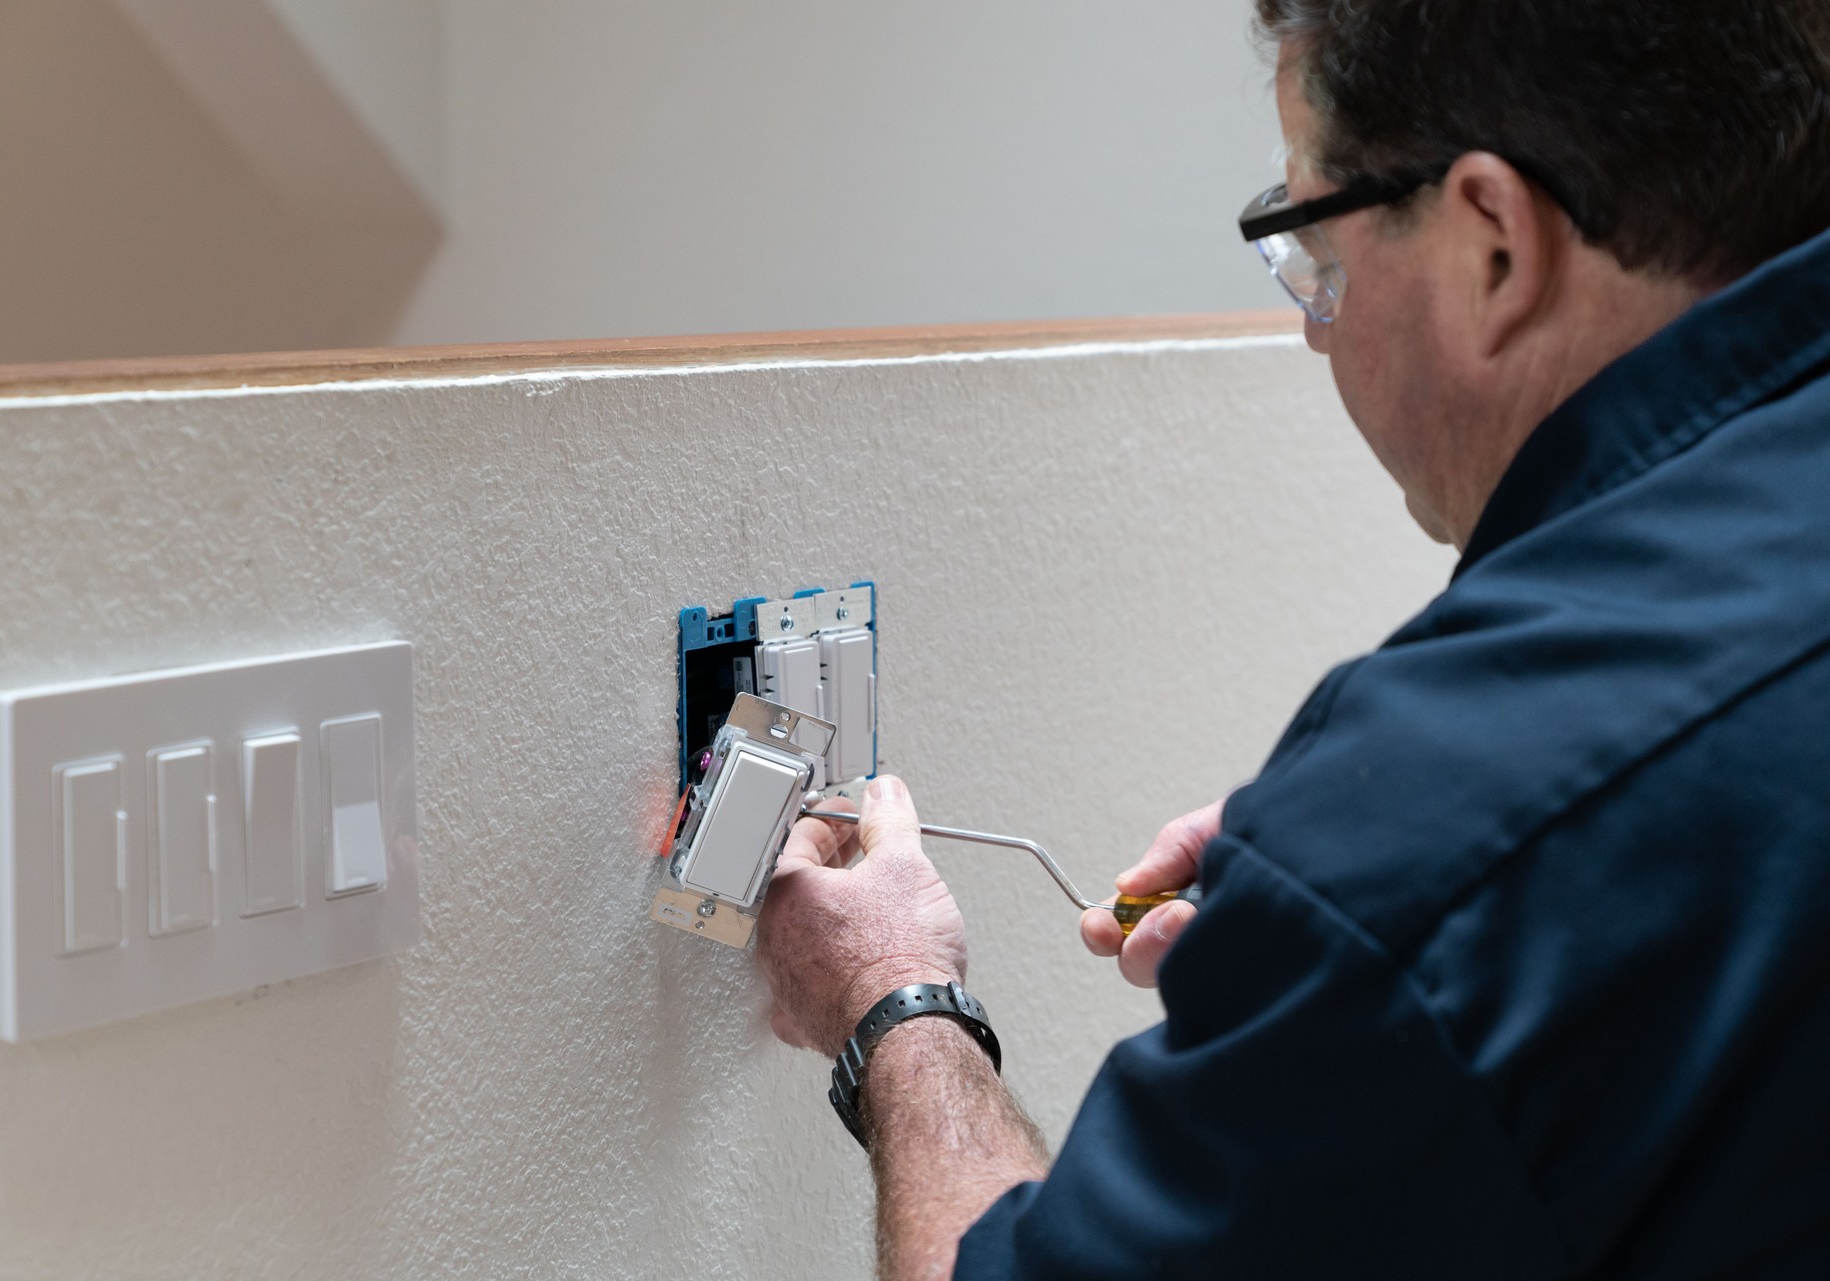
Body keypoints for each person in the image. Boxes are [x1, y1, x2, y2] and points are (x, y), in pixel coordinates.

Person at [756, 1, 1830, 1276]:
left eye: (1314, 249)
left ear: (1493, 242)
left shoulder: (1453, 825)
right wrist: (1371, 908)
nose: (1315, 324)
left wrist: (895, 1001)